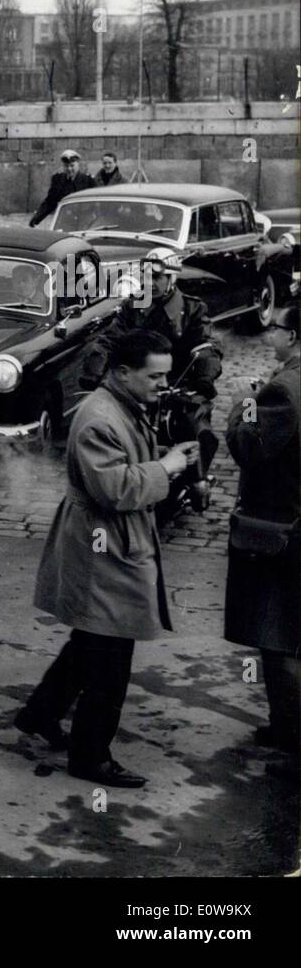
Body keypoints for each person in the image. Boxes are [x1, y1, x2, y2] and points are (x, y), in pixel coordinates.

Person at [16, 330, 200, 788]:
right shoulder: (101, 416)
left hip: (109, 537)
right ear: (122, 373)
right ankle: (90, 757)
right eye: (154, 376)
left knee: (92, 638)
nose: (163, 384)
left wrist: (160, 457)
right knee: (111, 652)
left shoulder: (117, 404)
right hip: (105, 542)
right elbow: (114, 488)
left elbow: (122, 463)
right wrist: (167, 467)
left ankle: (40, 713)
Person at [223, 305, 300, 758]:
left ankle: (290, 734)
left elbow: (248, 447)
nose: (268, 333)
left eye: (275, 328)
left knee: (279, 637)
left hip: (281, 529)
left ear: (292, 336)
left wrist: (241, 401)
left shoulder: (285, 390)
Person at [81, 248, 222, 399]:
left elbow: (206, 345)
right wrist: (94, 371)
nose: (151, 284)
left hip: (178, 385)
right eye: (147, 277)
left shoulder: (192, 309)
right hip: (138, 385)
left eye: (157, 278)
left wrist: (204, 377)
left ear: (171, 279)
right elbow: (110, 339)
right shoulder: (132, 306)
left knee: (194, 420)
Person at [29, 149, 95, 227]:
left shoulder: (87, 180)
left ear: (78, 164)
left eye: (72, 165)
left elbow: (95, 203)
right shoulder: (58, 180)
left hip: (84, 220)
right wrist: (36, 218)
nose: (69, 169)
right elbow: (50, 202)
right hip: (65, 220)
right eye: (66, 166)